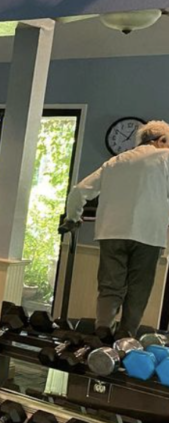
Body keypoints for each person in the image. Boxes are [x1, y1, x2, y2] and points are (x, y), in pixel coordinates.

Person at [64, 120, 169, 336]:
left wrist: (72, 218)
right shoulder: (164, 157)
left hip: (111, 232)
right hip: (147, 234)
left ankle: (103, 330)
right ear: (162, 140)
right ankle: (125, 337)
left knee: (110, 286)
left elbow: (78, 191)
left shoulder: (114, 162)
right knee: (138, 289)